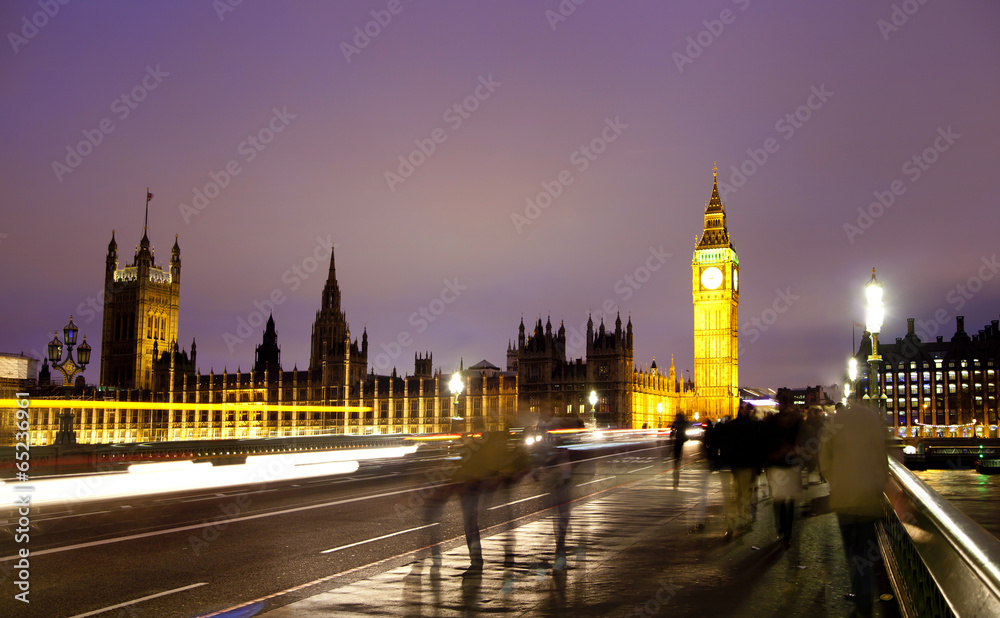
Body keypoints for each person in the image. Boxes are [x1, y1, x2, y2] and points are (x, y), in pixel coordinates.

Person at [820, 402, 889, 618]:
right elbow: (884, 457)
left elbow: (824, 459)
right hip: (869, 498)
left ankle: (860, 599)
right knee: (865, 556)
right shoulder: (875, 421)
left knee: (852, 551)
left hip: (844, 498)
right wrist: (880, 483)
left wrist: (836, 480)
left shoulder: (834, 420)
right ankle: (864, 603)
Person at [764, 403, 803, 547]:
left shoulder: (774, 423)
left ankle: (783, 532)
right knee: (787, 502)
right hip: (788, 466)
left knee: (780, 501)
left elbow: (766, 442)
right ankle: (786, 533)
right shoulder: (795, 423)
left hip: (779, 466)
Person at [670, 412, 689, 488]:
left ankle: (675, 474)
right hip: (680, 442)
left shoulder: (677, 423)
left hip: (678, 441)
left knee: (676, 458)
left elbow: (672, 430)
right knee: (677, 458)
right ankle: (676, 467)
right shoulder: (683, 422)